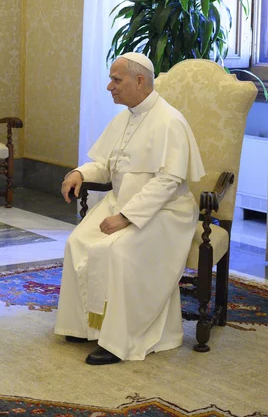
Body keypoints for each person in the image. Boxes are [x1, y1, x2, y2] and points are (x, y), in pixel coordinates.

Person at [55, 52, 204, 365]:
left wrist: (126, 217)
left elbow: (167, 182)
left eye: (116, 79)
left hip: (164, 213)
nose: (110, 86)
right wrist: (80, 173)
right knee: (77, 242)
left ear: (140, 81)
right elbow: (105, 165)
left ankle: (119, 340)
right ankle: (85, 326)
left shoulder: (170, 121)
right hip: (121, 202)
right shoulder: (125, 116)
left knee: (117, 252)